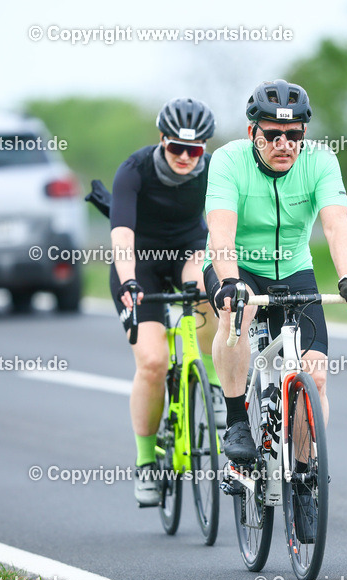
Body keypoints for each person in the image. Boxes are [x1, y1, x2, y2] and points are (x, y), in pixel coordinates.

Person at [202, 79, 347, 465]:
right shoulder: (229, 161)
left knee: (316, 377)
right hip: (238, 265)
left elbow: (336, 225)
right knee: (237, 311)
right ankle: (235, 421)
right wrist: (229, 282)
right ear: (252, 132)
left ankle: (304, 473)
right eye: (273, 135)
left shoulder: (321, 161)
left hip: (293, 269)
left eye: (293, 134)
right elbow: (221, 233)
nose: (284, 144)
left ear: (304, 133)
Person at [106, 97, 222, 506]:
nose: (187, 157)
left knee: (211, 290)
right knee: (153, 363)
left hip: (189, 250)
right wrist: (130, 282)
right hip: (140, 263)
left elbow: (226, 229)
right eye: (177, 148)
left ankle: (212, 380)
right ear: (161, 141)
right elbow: (121, 236)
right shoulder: (134, 170)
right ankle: (145, 464)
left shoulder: (212, 172)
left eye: (195, 149)